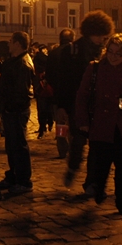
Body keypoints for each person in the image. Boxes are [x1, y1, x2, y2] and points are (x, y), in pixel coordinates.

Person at [76, 34, 122, 217]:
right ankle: (99, 189)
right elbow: (82, 96)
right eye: (111, 52)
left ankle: (121, 202)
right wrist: (83, 122)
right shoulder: (95, 68)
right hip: (101, 123)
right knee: (101, 163)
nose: (113, 57)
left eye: (118, 54)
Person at [56, 10, 115, 192]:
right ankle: (73, 167)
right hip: (78, 104)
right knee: (79, 140)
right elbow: (63, 80)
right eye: (100, 35)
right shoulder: (72, 50)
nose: (102, 39)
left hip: (99, 106)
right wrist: (62, 106)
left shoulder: (105, 52)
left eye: (104, 36)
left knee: (96, 146)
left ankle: (91, 182)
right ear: (91, 32)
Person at [0, 32, 35, 195]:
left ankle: (24, 181)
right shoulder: (14, 60)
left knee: (19, 146)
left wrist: (8, 106)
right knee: (12, 146)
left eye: (11, 41)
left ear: (18, 44)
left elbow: (21, 93)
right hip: (11, 110)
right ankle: (13, 176)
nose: (8, 44)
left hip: (16, 111)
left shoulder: (23, 64)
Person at [45, 29, 76, 158]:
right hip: (73, 95)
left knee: (61, 123)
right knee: (73, 123)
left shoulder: (53, 53)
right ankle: (74, 148)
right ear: (72, 39)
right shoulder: (75, 52)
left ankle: (62, 147)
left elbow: (48, 74)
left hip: (57, 95)